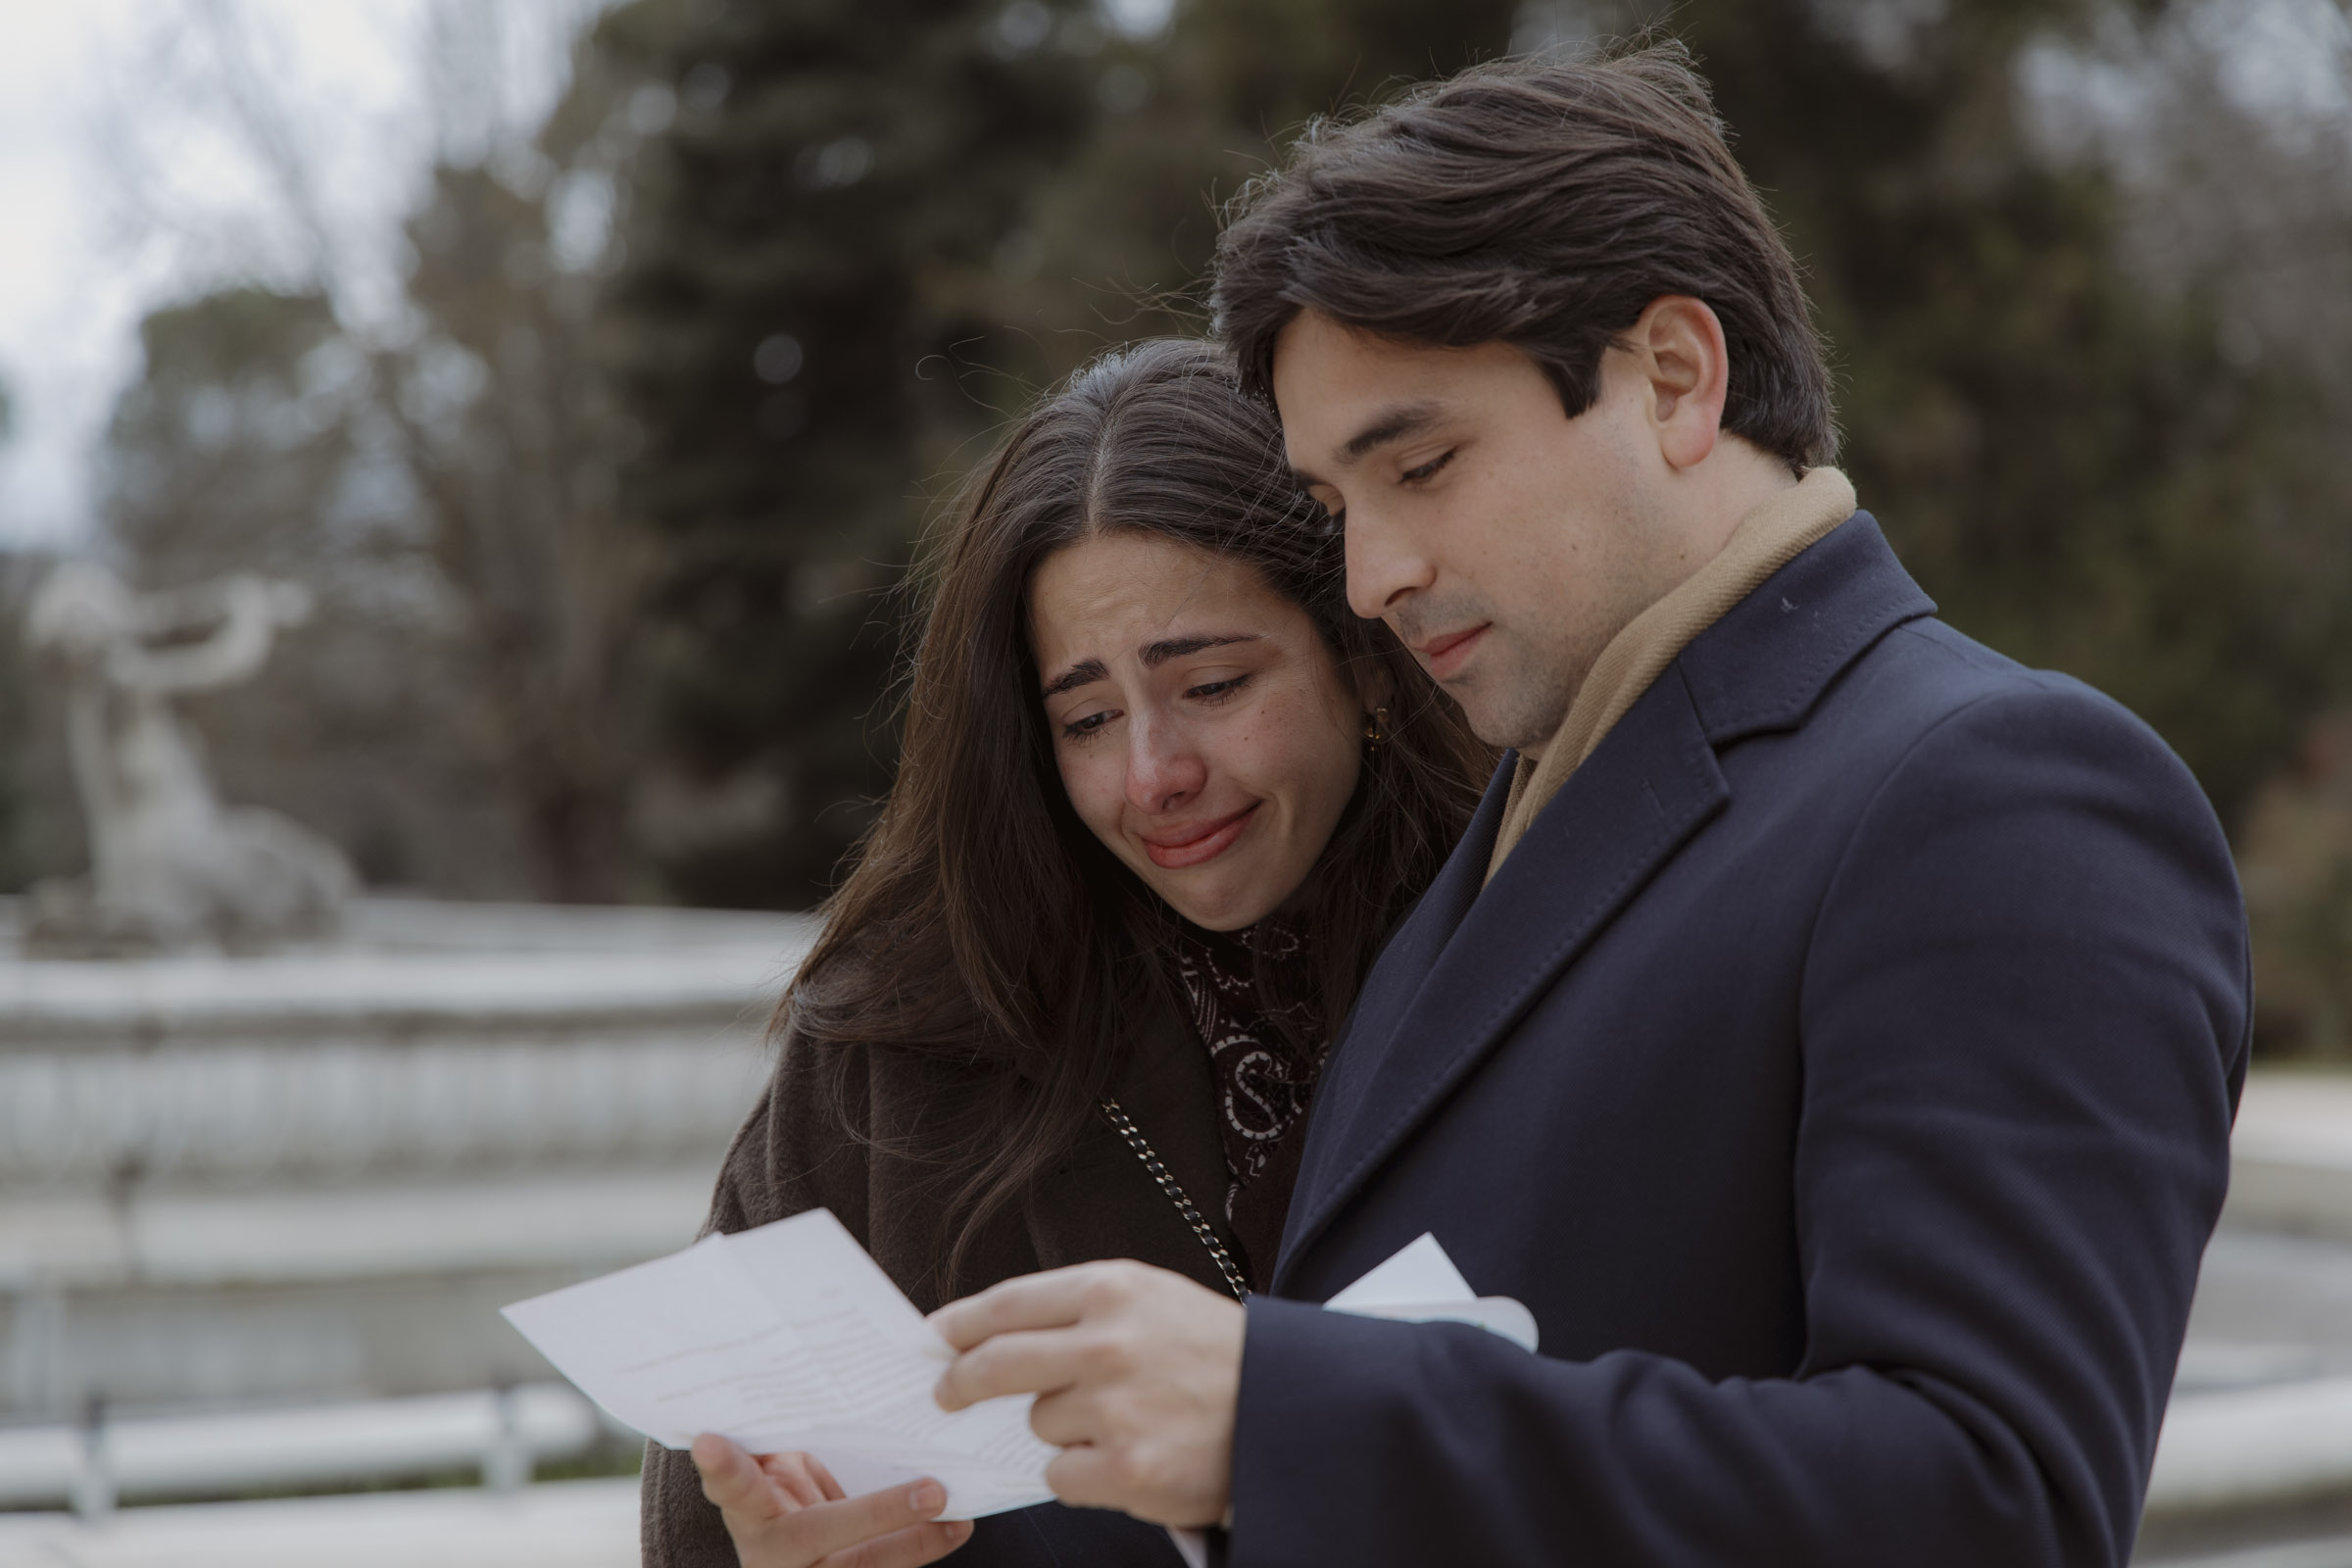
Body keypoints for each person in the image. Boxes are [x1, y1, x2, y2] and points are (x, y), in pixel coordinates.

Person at [918, 45, 2250, 1567]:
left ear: (1674, 377)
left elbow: (1991, 1503)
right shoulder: (1528, 815)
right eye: (1339, 508)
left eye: (1422, 465)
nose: (1372, 578)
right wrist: (943, 1542)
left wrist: (1281, 1413)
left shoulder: (2000, 797)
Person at [639, 337, 1491, 1567]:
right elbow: (702, 1521)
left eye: (1212, 684)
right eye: (1087, 717)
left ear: (1365, 664)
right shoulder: (903, 1041)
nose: (1152, 775)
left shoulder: (1536, 958)